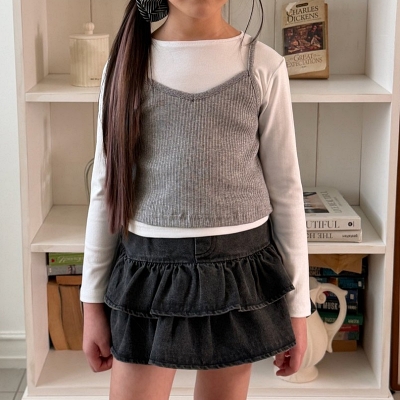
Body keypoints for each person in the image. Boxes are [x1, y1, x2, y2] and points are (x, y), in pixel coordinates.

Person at [80, 1, 311, 399]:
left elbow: (286, 191)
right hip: (147, 275)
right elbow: (106, 188)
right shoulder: (125, 65)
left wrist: (298, 309)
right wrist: (91, 304)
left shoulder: (264, 65)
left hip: (238, 276)